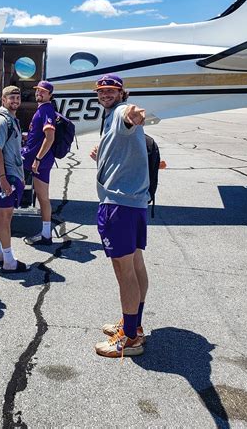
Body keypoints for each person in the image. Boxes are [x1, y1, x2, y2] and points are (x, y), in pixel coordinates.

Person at [90, 74, 149, 358]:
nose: (106, 94)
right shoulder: (111, 118)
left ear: (122, 93)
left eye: (111, 90)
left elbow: (130, 115)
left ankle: (129, 339)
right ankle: (132, 325)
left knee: (123, 270)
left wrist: (133, 113)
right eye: (102, 91)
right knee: (136, 264)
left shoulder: (119, 114)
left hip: (118, 205)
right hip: (135, 203)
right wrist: (102, 155)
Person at [0, 85, 30, 273]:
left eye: (17, 97)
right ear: (3, 100)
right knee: (5, 217)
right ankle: (9, 261)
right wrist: (3, 178)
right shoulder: (1, 120)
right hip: (6, 174)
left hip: (8, 173)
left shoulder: (11, 119)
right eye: (10, 98)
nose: (15, 101)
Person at [22, 80, 57, 246]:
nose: (39, 93)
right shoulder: (42, 109)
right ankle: (45, 232)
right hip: (36, 160)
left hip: (40, 163)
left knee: (43, 198)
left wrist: (37, 159)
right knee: (42, 197)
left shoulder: (47, 110)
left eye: (43, 91)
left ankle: (46, 235)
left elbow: (50, 137)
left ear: (50, 94)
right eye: (37, 91)